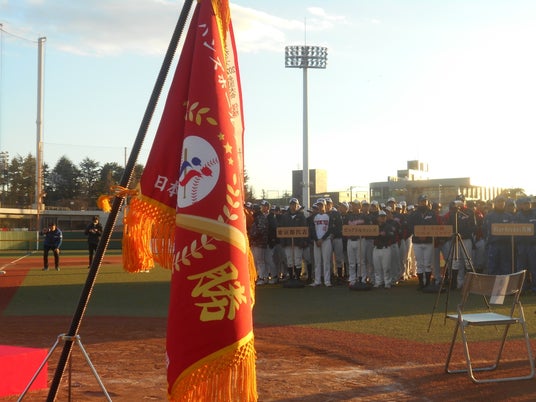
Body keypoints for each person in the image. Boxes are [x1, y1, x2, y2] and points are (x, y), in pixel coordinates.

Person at [309, 198, 333, 287]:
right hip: (317, 241)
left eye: (321, 205)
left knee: (326, 262)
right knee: (317, 262)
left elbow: (330, 229)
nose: (319, 206)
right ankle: (317, 280)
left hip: (326, 240)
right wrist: (316, 240)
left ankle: (327, 281)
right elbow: (312, 229)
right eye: (318, 205)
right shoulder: (314, 217)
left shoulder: (329, 216)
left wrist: (322, 239)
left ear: (325, 205)